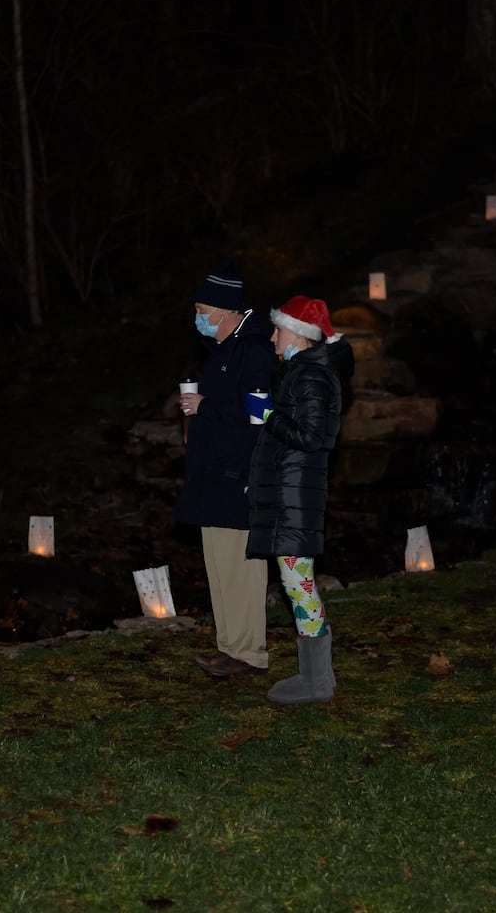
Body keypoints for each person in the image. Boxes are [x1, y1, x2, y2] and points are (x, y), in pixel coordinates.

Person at [175, 260, 278, 678]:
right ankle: (229, 647)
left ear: (225, 309)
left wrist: (206, 407)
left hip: (238, 473)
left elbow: (262, 414)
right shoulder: (223, 349)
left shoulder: (252, 350)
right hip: (212, 472)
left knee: (242, 566)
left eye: (203, 309)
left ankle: (250, 652)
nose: (199, 318)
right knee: (219, 564)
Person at [243, 295, 343, 704]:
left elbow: (312, 437)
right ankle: (316, 678)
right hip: (290, 493)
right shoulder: (302, 373)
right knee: (295, 581)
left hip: (297, 495)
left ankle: (317, 682)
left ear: (298, 335)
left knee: (298, 584)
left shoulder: (312, 378)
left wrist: (268, 415)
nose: (272, 337)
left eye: (277, 329)